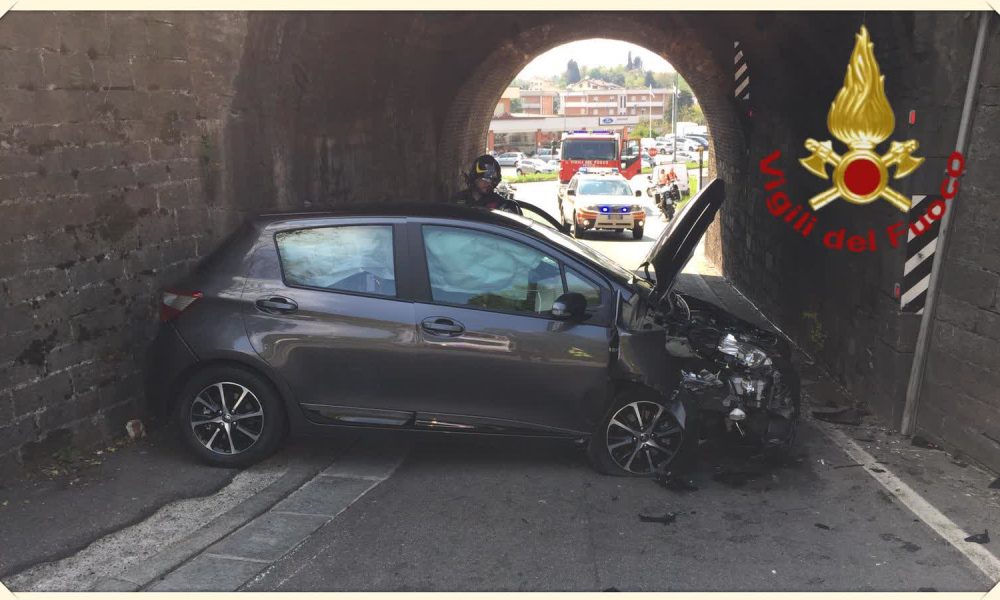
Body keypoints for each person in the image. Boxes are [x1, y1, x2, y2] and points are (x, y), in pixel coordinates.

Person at [452, 154, 521, 214]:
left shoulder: (501, 204)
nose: (489, 183)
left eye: (493, 180)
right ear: (475, 178)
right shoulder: (458, 200)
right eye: (485, 179)